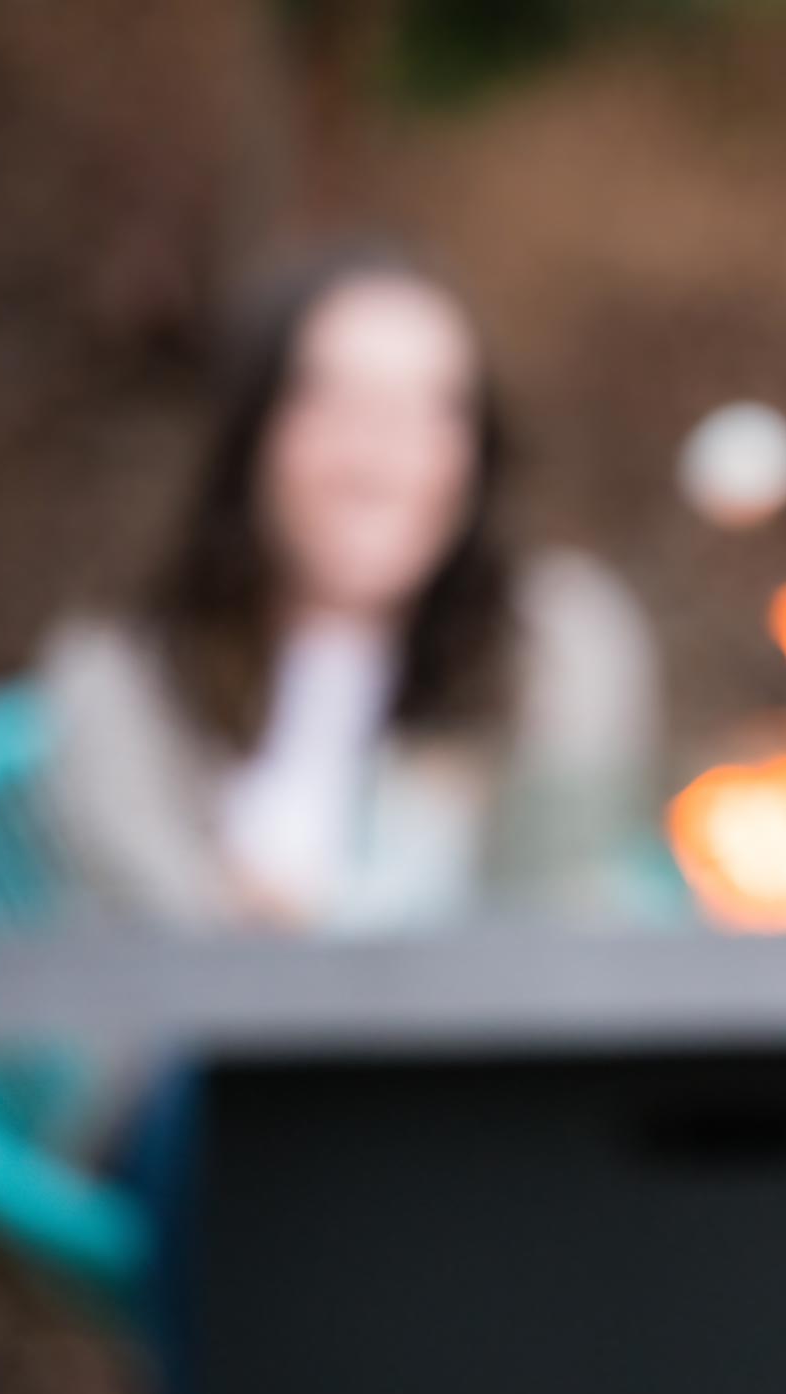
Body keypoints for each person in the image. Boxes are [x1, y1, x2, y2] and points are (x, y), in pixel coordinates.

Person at [39, 241, 662, 933]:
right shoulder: (123, 674)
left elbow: (559, 915)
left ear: (476, 455)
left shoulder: (554, 642)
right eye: (334, 400)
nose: (378, 454)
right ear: (254, 433)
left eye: (431, 410)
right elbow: (153, 964)